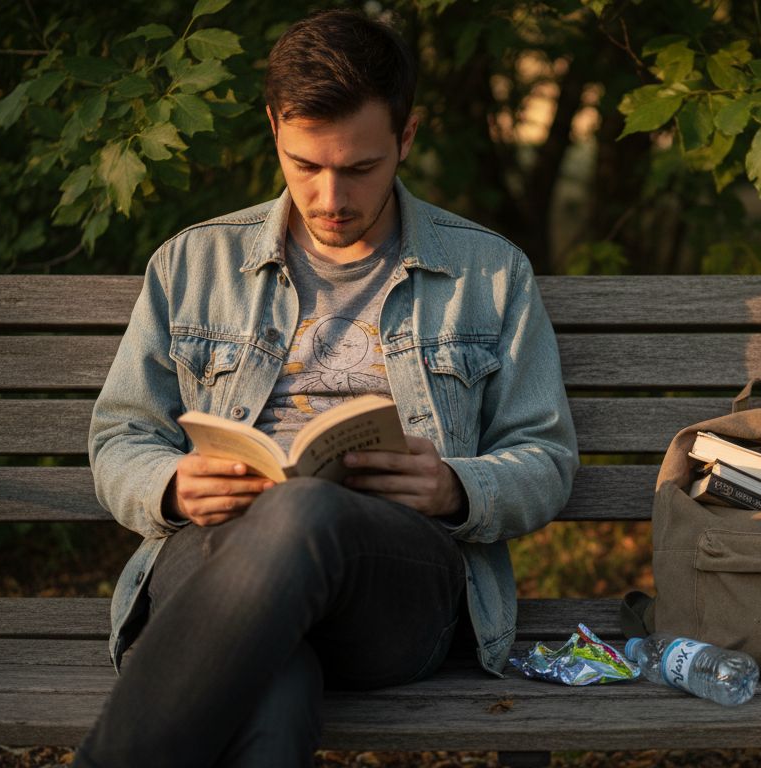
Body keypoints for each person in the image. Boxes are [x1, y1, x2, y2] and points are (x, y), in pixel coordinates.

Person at [75, 10, 577, 767]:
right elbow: (120, 435)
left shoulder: (489, 273)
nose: (330, 196)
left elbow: (545, 455)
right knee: (273, 693)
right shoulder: (193, 263)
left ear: (406, 138)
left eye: (360, 167)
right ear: (274, 126)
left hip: (396, 590)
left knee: (304, 508)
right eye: (305, 164)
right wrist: (173, 485)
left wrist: (455, 488)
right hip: (210, 564)